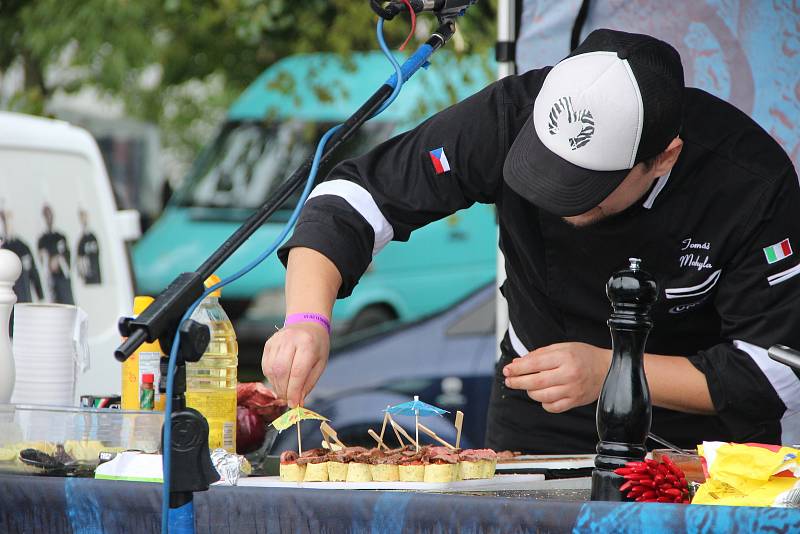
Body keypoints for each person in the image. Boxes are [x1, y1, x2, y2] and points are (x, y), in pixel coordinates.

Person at [262, 29, 800, 453]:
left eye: (586, 188)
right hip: (540, 414)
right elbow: (358, 196)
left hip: (700, 440)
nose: (559, 199)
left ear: (664, 157)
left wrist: (613, 371)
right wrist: (307, 322)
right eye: (544, 174)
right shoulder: (509, 115)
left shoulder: (751, 182)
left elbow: (774, 372)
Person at [37, 204, 75, 305]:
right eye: (46, 215)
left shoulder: (61, 237)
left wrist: (59, 260)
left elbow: (67, 260)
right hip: (51, 281)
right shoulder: (42, 240)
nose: (49, 218)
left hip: (63, 280)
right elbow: (42, 262)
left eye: (50, 215)